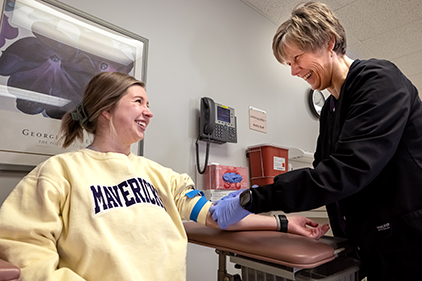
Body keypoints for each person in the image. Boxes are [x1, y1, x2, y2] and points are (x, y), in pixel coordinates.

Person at [0, 71, 328, 281]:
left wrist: (285, 222)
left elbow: (216, 216)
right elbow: (21, 245)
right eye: (138, 101)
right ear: (106, 110)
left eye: (149, 103)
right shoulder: (60, 172)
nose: (149, 111)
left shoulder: (161, 176)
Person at [209, 2, 422, 280]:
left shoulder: (379, 81)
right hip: (373, 243)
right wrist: (299, 221)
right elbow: (324, 172)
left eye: (297, 58)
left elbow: (345, 172)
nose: (294, 71)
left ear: (329, 42)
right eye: (289, 64)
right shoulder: (330, 110)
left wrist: (253, 198)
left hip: (410, 242)